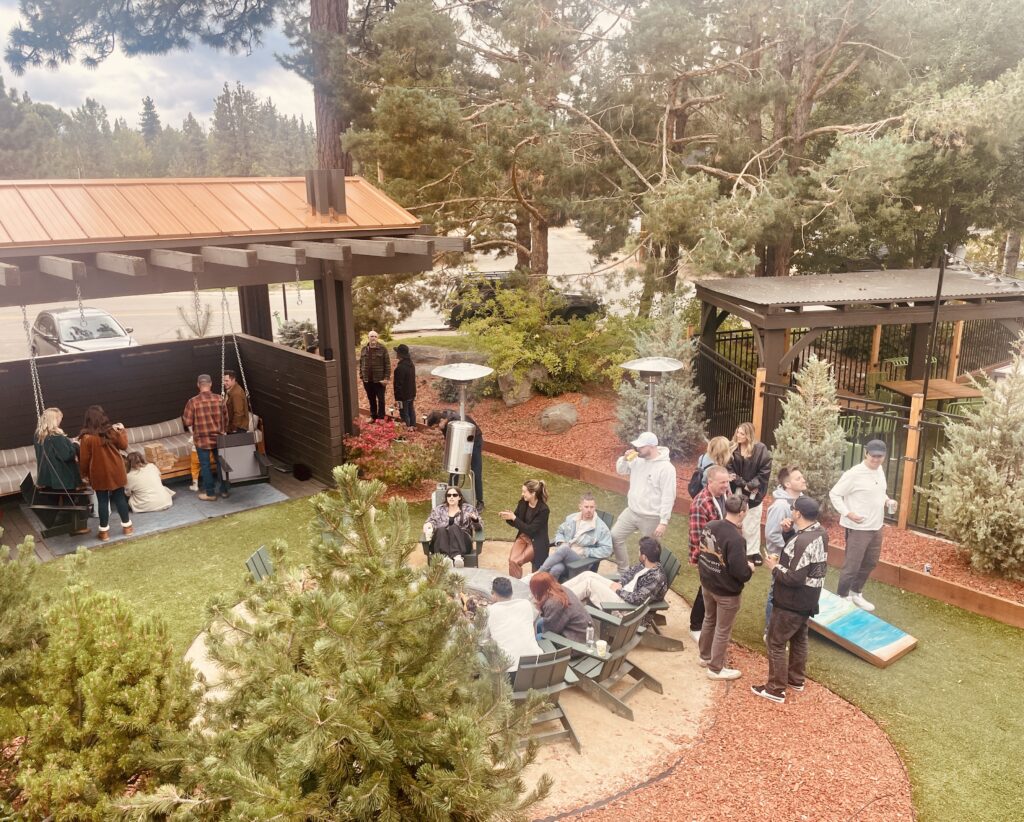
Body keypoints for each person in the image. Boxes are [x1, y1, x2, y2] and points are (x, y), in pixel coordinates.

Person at [752, 495, 829, 704]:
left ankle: (775, 689)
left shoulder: (803, 541)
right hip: (809, 599)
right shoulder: (819, 533)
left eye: (793, 508)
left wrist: (774, 567)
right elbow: (802, 557)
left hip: (792, 601)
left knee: (776, 641)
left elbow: (794, 578)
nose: (791, 511)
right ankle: (796, 680)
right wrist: (788, 533)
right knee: (799, 638)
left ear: (798, 513)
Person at [828, 439, 892, 612]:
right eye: (873, 456)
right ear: (866, 453)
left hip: (876, 526)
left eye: (880, 456)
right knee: (852, 565)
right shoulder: (854, 474)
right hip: (858, 527)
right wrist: (848, 513)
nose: (876, 460)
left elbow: (879, 492)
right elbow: (834, 494)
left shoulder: (879, 470)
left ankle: (855, 593)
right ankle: (842, 597)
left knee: (871, 562)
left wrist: (887, 500)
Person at [697, 495, 755, 681]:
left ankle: (704, 656)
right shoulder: (736, 539)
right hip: (726, 592)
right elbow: (741, 573)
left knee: (709, 619)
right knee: (722, 630)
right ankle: (715, 669)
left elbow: (703, 552)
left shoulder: (710, 525)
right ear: (742, 513)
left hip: (707, 584)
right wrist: (750, 568)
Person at [610, 431, 677, 573]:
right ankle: (623, 571)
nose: (637, 449)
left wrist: (663, 522)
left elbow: (668, 496)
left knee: (650, 552)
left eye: (641, 447)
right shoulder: (637, 459)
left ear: (652, 447)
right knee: (615, 536)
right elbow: (620, 470)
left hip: (651, 517)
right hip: (631, 511)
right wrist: (624, 459)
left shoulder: (666, 468)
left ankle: (648, 577)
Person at [561, 536, 668, 621]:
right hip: (622, 593)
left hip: (626, 608)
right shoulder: (646, 564)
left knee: (589, 584)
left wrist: (618, 591)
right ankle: (557, 591)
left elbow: (637, 599)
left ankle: (558, 602)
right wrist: (620, 583)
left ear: (644, 557)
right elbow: (629, 573)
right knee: (588, 574)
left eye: (639, 551)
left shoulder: (655, 577)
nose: (638, 553)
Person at [687, 465, 732, 642]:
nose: (726, 486)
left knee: (714, 588)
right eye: (722, 482)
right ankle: (695, 626)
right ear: (710, 482)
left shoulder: (725, 494)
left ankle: (707, 624)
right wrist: (704, 560)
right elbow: (698, 537)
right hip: (708, 555)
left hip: (722, 552)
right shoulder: (701, 503)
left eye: (727, 482)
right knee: (706, 588)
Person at [79, 405, 132, 541]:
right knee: (120, 498)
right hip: (116, 470)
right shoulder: (111, 432)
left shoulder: (86, 438)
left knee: (102, 501)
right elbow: (124, 446)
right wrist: (122, 430)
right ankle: (127, 528)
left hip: (98, 473)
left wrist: (83, 474)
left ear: (88, 419)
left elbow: (84, 460)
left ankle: (104, 533)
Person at [763, 465, 807, 629]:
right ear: (788, 484)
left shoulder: (801, 501)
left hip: (795, 556)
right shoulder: (780, 506)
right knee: (775, 593)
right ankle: (769, 629)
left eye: (802, 477)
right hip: (781, 557)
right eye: (798, 478)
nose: (803, 480)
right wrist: (791, 550)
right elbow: (771, 534)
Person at [33, 407, 88, 536]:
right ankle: (75, 528)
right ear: (54, 419)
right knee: (70, 500)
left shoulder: (38, 435)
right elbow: (66, 455)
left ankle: (53, 525)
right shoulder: (56, 437)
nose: (60, 421)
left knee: (52, 502)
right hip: (62, 476)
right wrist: (75, 445)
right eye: (59, 418)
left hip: (46, 477)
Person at [534, 492, 613, 580]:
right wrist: (561, 542)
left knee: (564, 549)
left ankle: (538, 573)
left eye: (592, 507)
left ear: (595, 507)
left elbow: (607, 550)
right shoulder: (571, 518)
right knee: (555, 569)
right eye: (586, 507)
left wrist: (584, 551)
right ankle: (550, 588)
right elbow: (560, 531)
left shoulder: (601, 528)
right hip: (564, 557)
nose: (589, 510)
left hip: (582, 562)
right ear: (580, 507)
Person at [727, 422, 773, 563]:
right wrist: (741, 483)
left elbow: (765, 471)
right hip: (736, 489)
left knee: (752, 521)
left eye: (742, 433)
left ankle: (752, 552)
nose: (738, 435)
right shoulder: (732, 447)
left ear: (749, 435)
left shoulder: (761, 449)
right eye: (738, 432)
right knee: (733, 519)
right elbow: (728, 468)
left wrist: (750, 485)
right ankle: (733, 548)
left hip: (754, 492)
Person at [426, 409, 485, 510]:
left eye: (436, 426)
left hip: (473, 441)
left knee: (475, 472)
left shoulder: (453, 418)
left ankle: (480, 501)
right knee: (454, 469)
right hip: (459, 443)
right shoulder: (444, 423)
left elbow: (455, 415)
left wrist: (446, 421)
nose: (437, 429)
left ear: (441, 420)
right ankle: (450, 496)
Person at [182, 373, 228, 502]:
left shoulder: (193, 402)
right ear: (211, 384)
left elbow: (187, 421)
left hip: (201, 440)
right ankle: (224, 491)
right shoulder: (220, 399)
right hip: (219, 439)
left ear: (198, 385)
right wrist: (222, 430)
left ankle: (210, 494)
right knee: (221, 464)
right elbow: (226, 419)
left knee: (205, 466)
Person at [486, 577, 542, 673]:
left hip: (509, 671)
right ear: (512, 592)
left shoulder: (490, 610)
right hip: (537, 664)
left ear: (494, 594)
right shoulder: (526, 604)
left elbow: (483, 637)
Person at [501, 479, 550, 578]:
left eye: (524, 492)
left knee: (519, 561)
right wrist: (508, 517)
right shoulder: (523, 502)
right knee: (513, 561)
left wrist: (514, 518)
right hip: (523, 536)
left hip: (537, 542)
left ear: (533, 493)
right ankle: (516, 584)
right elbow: (517, 521)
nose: (522, 494)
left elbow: (531, 530)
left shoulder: (544, 510)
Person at [529, 571, 593, 644]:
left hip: (577, 638)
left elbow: (549, 631)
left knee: (538, 637)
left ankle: (545, 649)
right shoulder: (560, 589)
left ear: (538, 590)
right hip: (579, 628)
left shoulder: (553, 603)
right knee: (539, 623)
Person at [424, 485, 481, 559]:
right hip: (442, 541)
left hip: (462, 543)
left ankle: (457, 556)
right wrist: (429, 524)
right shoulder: (439, 510)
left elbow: (478, 528)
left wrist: (475, 521)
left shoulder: (468, 509)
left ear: (459, 497)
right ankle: (444, 558)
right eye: (449, 495)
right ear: (446, 497)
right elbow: (431, 521)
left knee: (453, 527)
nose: (451, 497)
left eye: (454, 495)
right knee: (441, 530)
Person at [358, 330, 391, 421]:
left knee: (381, 400)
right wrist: (361, 375)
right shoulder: (364, 349)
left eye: (375, 336)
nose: (373, 338)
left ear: (377, 338)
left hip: (379, 380)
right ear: (368, 338)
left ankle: (381, 418)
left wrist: (386, 378)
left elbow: (387, 365)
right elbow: (361, 363)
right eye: (372, 336)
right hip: (367, 380)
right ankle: (373, 416)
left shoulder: (383, 349)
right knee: (371, 399)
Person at [392, 344, 417, 428]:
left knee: (403, 413)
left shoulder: (399, 368)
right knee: (411, 411)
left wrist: (397, 399)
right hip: (411, 393)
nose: (396, 354)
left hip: (402, 397)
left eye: (397, 352)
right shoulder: (411, 365)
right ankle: (413, 427)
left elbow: (398, 385)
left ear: (400, 354)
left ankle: (407, 430)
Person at [222, 370, 250, 434]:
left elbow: (238, 413)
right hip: (235, 428)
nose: (224, 383)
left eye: (226, 381)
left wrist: (232, 429)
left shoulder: (236, 394)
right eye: (223, 381)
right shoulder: (231, 390)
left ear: (233, 380)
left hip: (238, 429)